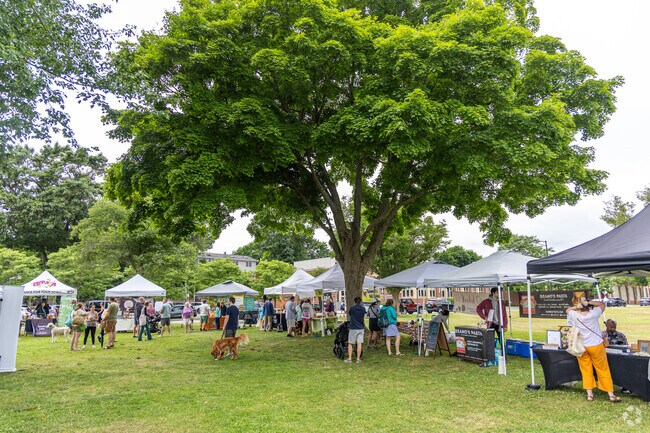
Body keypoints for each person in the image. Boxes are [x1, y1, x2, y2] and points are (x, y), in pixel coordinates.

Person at [566, 299, 621, 402]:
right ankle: (610, 394)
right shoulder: (593, 314)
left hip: (582, 347)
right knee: (603, 369)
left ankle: (590, 395)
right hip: (596, 345)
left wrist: (576, 307)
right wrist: (589, 302)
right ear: (589, 307)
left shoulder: (574, 315)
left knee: (586, 370)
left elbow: (567, 310)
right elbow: (602, 304)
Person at [346, 297, 366, 363]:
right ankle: (358, 359)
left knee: (350, 343)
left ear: (354, 302)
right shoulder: (363, 309)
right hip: (361, 328)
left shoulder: (352, 308)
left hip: (353, 327)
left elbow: (350, 314)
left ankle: (350, 358)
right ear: (360, 302)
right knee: (359, 343)